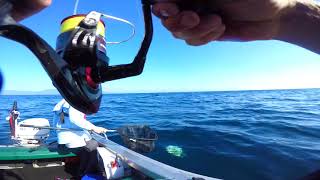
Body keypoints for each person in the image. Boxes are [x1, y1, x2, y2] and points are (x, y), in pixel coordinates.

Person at [53, 99, 107, 177]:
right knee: (93, 145)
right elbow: (75, 119)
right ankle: (86, 173)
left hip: (62, 137)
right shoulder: (76, 101)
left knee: (90, 141)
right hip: (72, 138)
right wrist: (94, 128)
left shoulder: (62, 102)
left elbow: (56, 122)